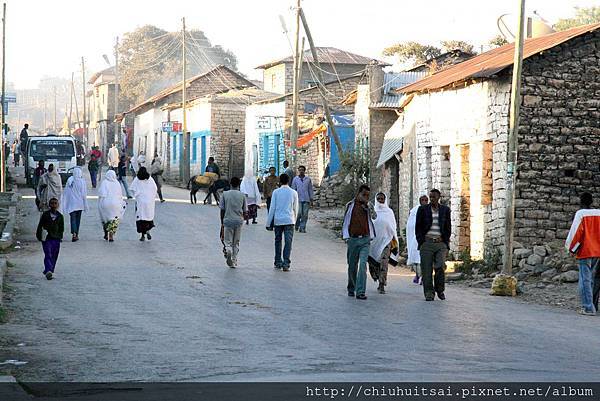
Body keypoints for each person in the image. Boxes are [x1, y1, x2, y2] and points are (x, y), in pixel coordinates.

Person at [565, 192, 600, 316]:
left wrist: (571, 249)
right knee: (594, 279)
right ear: (592, 201)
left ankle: (588, 307)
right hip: (598, 251)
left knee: (585, 279)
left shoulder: (581, 214)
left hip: (586, 251)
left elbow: (576, 232)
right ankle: (594, 305)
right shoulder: (599, 213)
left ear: (581, 202)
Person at [415, 189, 451, 302]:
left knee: (440, 266)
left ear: (439, 197)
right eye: (431, 197)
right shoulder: (423, 209)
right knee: (427, 269)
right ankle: (429, 293)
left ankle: (440, 290)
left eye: (434, 197)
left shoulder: (445, 210)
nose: (432, 199)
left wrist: (445, 241)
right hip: (427, 243)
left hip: (440, 243)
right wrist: (421, 242)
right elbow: (418, 227)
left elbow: (448, 227)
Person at [342, 185, 377, 300]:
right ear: (358, 193)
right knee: (352, 266)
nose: (366, 197)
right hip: (353, 240)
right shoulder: (350, 205)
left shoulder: (368, 206)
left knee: (362, 265)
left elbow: (375, 217)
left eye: (367, 195)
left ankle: (361, 291)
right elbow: (345, 221)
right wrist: (346, 237)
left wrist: (368, 207)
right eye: (364, 195)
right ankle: (351, 288)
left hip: (365, 240)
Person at [266, 174, 298, 272]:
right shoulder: (293, 193)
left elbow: (272, 208)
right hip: (289, 220)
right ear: (289, 181)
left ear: (279, 181)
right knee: (288, 242)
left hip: (278, 220)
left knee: (278, 241)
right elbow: (295, 208)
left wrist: (268, 223)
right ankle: (286, 263)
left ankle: (278, 261)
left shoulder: (276, 192)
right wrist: (294, 220)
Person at [368, 193, 398, 294]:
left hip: (386, 241)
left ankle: (382, 284)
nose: (381, 200)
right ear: (376, 199)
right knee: (373, 263)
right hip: (373, 242)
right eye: (379, 199)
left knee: (384, 263)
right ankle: (376, 277)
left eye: (382, 199)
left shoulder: (389, 212)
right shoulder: (372, 211)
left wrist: (393, 239)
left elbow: (393, 226)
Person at [219, 176, 247, 268]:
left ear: (230, 184)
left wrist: (222, 222)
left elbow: (222, 209)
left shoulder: (225, 194)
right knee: (236, 242)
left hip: (227, 220)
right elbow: (245, 211)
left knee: (228, 241)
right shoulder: (242, 195)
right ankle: (234, 260)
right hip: (238, 221)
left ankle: (228, 250)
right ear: (239, 185)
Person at [36, 197, 64, 281]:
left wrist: (60, 237)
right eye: (52, 203)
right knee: (48, 254)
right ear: (49, 205)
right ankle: (48, 270)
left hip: (56, 239)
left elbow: (61, 228)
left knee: (54, 255)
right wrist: (39, 236)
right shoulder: (45, 215)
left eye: (55, 203)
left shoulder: (60, 216)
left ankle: (50, 270)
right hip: (47, 238)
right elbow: (40, 226)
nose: (54, 205)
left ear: (58, 205)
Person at [60, 167, 88, 242]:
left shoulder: (70, 181)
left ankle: (74, 233)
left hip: (72, 203)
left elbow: (66, 193)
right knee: (78, 219)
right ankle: (76, 233)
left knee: (72, 219)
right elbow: (84, 194)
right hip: (80, 204)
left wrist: (65, 203)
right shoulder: (82, 182)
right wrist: (85, 205)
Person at [98, 170, 126, 242]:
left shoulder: (104, 182)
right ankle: (111, 235)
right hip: (116, 204)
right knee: (114, 219)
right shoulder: (117, 183)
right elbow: (120, 195)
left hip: (106, 204)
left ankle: (106, 233)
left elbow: (102, 193)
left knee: (105, 219)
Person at [407, 195, 429, 285]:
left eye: (425, 200)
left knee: (425, 259)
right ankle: (417, 275)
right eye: (422, 200)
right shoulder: (415, 211)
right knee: (415, 258)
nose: (424, 202)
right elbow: (410, 225)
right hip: (416, 238)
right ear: (419, 201)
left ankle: (424, 277)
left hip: (427, 238)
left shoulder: (430, 210)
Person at [130, 167, 157, 242]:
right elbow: (155, 189)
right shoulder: (150, 179)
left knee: (141, 218)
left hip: (140, 202)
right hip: (149, 202)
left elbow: (132, 188)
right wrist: (151, 197)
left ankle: (142, 235)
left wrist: (137, 194)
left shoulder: (137, 179)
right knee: (148, 217)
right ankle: (148, 231)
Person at [291, 165, 314, 233]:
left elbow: (310, 189)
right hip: (298, 199)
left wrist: (311, 198)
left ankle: (302, 227)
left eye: (302, 170)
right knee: (299, 213)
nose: (301, 171)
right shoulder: (295, 179)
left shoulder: (308, 179)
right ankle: (296, 225)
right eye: (300, 170)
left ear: (304, 171)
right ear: (298, 170)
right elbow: (293, 189)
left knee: (305, 214)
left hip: (306, 199)